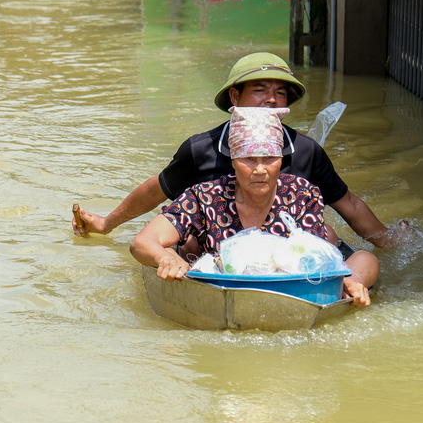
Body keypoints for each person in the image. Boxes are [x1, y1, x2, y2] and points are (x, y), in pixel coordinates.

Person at [73, 52, 412, 248]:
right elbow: (156, 190)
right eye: (260, 89)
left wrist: (391, 242)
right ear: (235, 98)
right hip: (216, 250)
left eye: (280, 92)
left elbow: (348, 203)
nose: (270, 99)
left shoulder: (305, 151)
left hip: (288, 252)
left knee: (328, 235)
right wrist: (108, 223)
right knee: (189, 242)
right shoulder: (202, 148)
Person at [130, 107, 379, 308]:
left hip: (290, 291)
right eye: (249, 159)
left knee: (361, 258)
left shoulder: (303, 194)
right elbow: (142, 242)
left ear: (281, 162)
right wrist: (166, 258)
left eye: (269, 159)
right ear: (234, 162)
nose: (260, 170)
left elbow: (312, 262)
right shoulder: (206, 196)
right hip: (223, 290)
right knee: (183, 248)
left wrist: (349, 279)